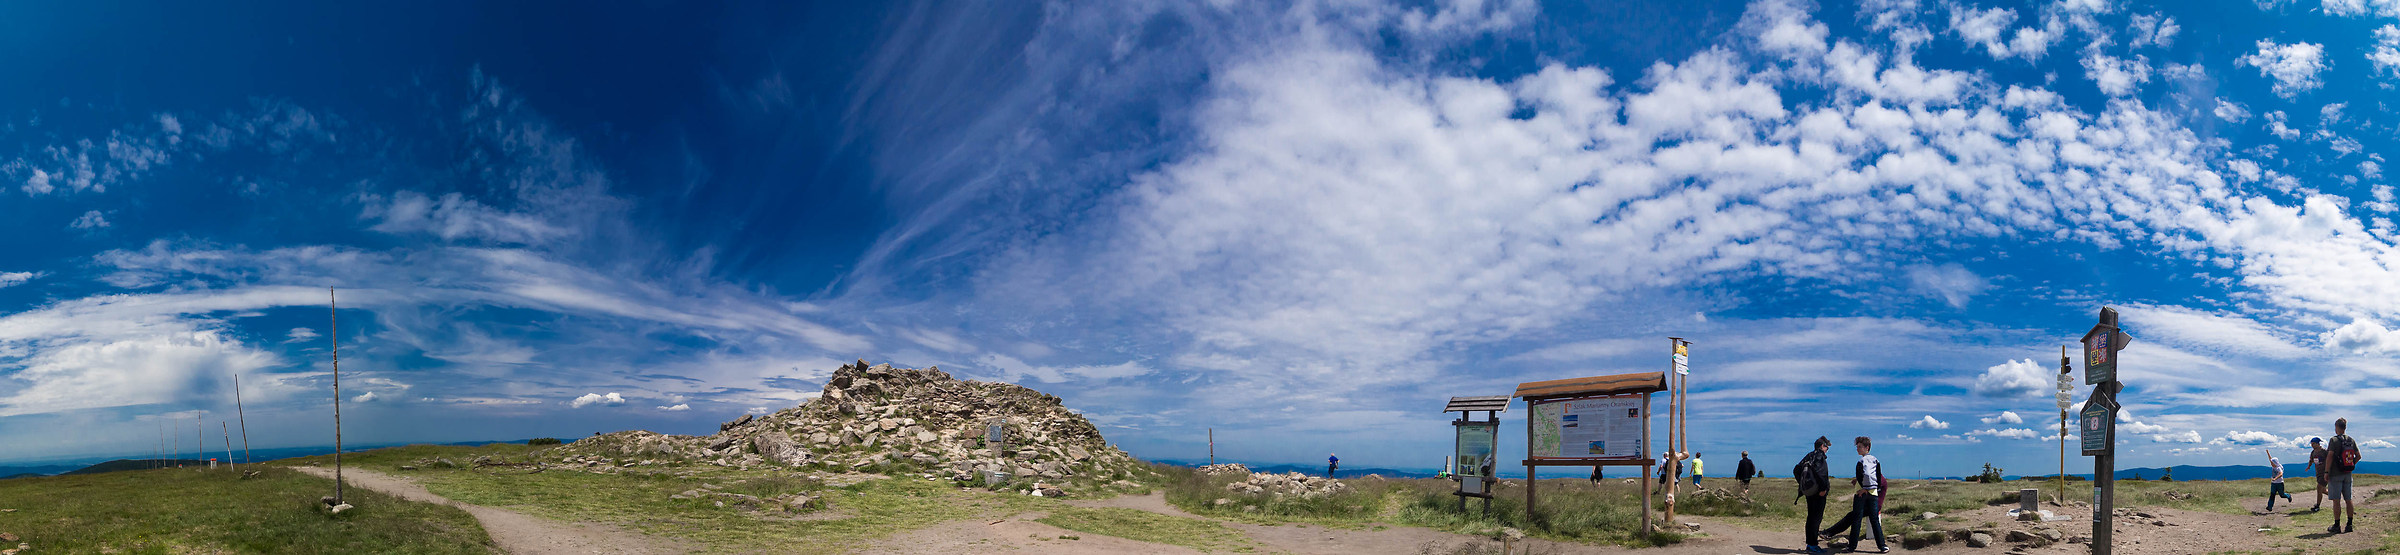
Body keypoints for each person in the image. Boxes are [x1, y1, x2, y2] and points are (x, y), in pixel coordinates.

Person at [1818, 437, 1888, 553]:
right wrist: (1867, 487)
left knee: (1856, 520)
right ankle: (1882, 546)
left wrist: (1864, 489)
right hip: (1874, 495)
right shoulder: (1876, 461)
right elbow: (1877, 479)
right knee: (1874, 521)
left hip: (1861, 496)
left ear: (1867, 447)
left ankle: (1851, 547)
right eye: (1857, 447)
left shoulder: (1862, 461)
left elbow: (1866, 475)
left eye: (1859, 447)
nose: (1857, 449)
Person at [1796, 437, 1832, 554]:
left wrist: (1804, 485)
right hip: (1818, 494)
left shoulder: (1809, 455)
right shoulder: (1819, 456)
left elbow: (1796, 469)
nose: (1827, 449)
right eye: (1826, 447)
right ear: (1822, 446)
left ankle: (1810, 544)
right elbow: (1821, 474)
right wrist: (1822, 489)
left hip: (1810, 492)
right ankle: (1813, 545)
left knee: (1811, 517)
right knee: (1816, 518)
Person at [2328, 419, 2360, 534]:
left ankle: (2337, 526)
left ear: (2336, 427)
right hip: (2348, 473)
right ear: (2345, 427)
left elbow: (2330, 456)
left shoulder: (2333, 440)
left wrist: (2326, 472)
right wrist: (2350, 465)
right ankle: (2349, 525)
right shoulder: (2351, 440)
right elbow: (2358, 456)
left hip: (2335, 474)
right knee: (2348, 499)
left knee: (2336, 501)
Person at [2308, 437, 2327, 511]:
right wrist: (2309, 466)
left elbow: (2330, 459)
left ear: (2317, 444)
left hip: (2324, 473)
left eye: (2313, 444)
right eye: (2311, 444)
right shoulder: (2313, 452)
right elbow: (2311, 460)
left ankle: (2317, 506)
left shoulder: (2324, 451)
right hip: (2318, 473)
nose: (2312, 445)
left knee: (2319, 488)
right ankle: (2336, 497)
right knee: (2323, 490)